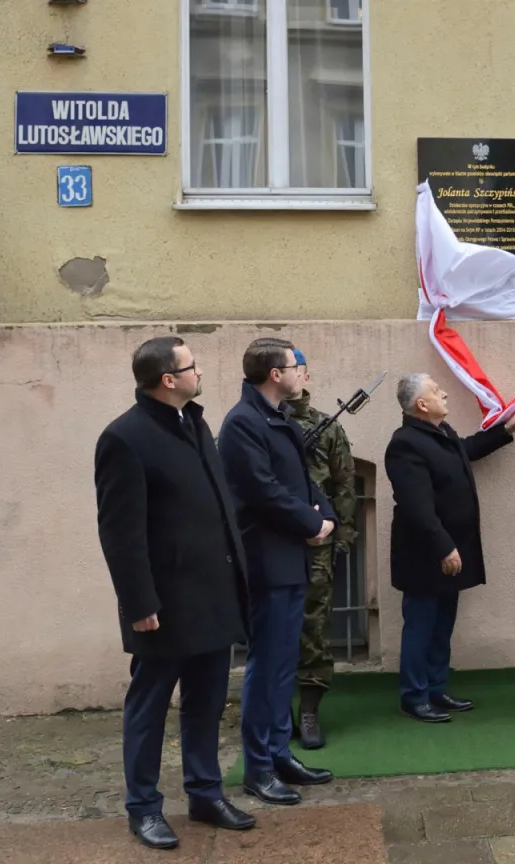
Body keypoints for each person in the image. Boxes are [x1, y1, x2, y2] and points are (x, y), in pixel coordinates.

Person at [93, 336, 255, 850]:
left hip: (212, 595)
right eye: (192, 365)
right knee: (149, 707)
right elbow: (120, 533)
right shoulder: (124, 438)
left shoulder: (196, 423)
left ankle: (205, 794)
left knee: (206, 704)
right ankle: (143, 808)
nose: (200, 371)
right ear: (168, 379)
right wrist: (139, 604)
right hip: (163, 607)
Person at [217, 337, 336, 806]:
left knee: (284, 664)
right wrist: (311, 524)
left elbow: (304, 482)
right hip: (268, 560)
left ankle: (278, 752)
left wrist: (323, 515)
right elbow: (263, 491)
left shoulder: (275, 417)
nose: (300, 372)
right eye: (294, 366)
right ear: (274, 374)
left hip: (291, 556)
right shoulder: (243, 423)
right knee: (266, 667)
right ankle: (258, 767)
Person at [384, 373, 515, 722]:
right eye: (436, 390)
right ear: (422, 404)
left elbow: (468, 448)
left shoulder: (440, 434)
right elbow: (418, 506)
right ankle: (414, 697)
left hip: (450, 552)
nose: (443, 392)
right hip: (426, 555)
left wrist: (506, 429)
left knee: (442, 623)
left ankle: (434, 688)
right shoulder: (405, 444)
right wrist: (445, 547)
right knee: (421, 624)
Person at [284, 349, 357, 750]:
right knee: (275, 625)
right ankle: (278, 712)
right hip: (274, 541)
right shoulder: (257, 424)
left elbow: (345, 485)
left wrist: (342, 535)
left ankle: (309, 708)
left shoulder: (326, 427)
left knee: (314, 624)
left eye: (295, 369)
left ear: (305, 375)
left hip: (318, 542)